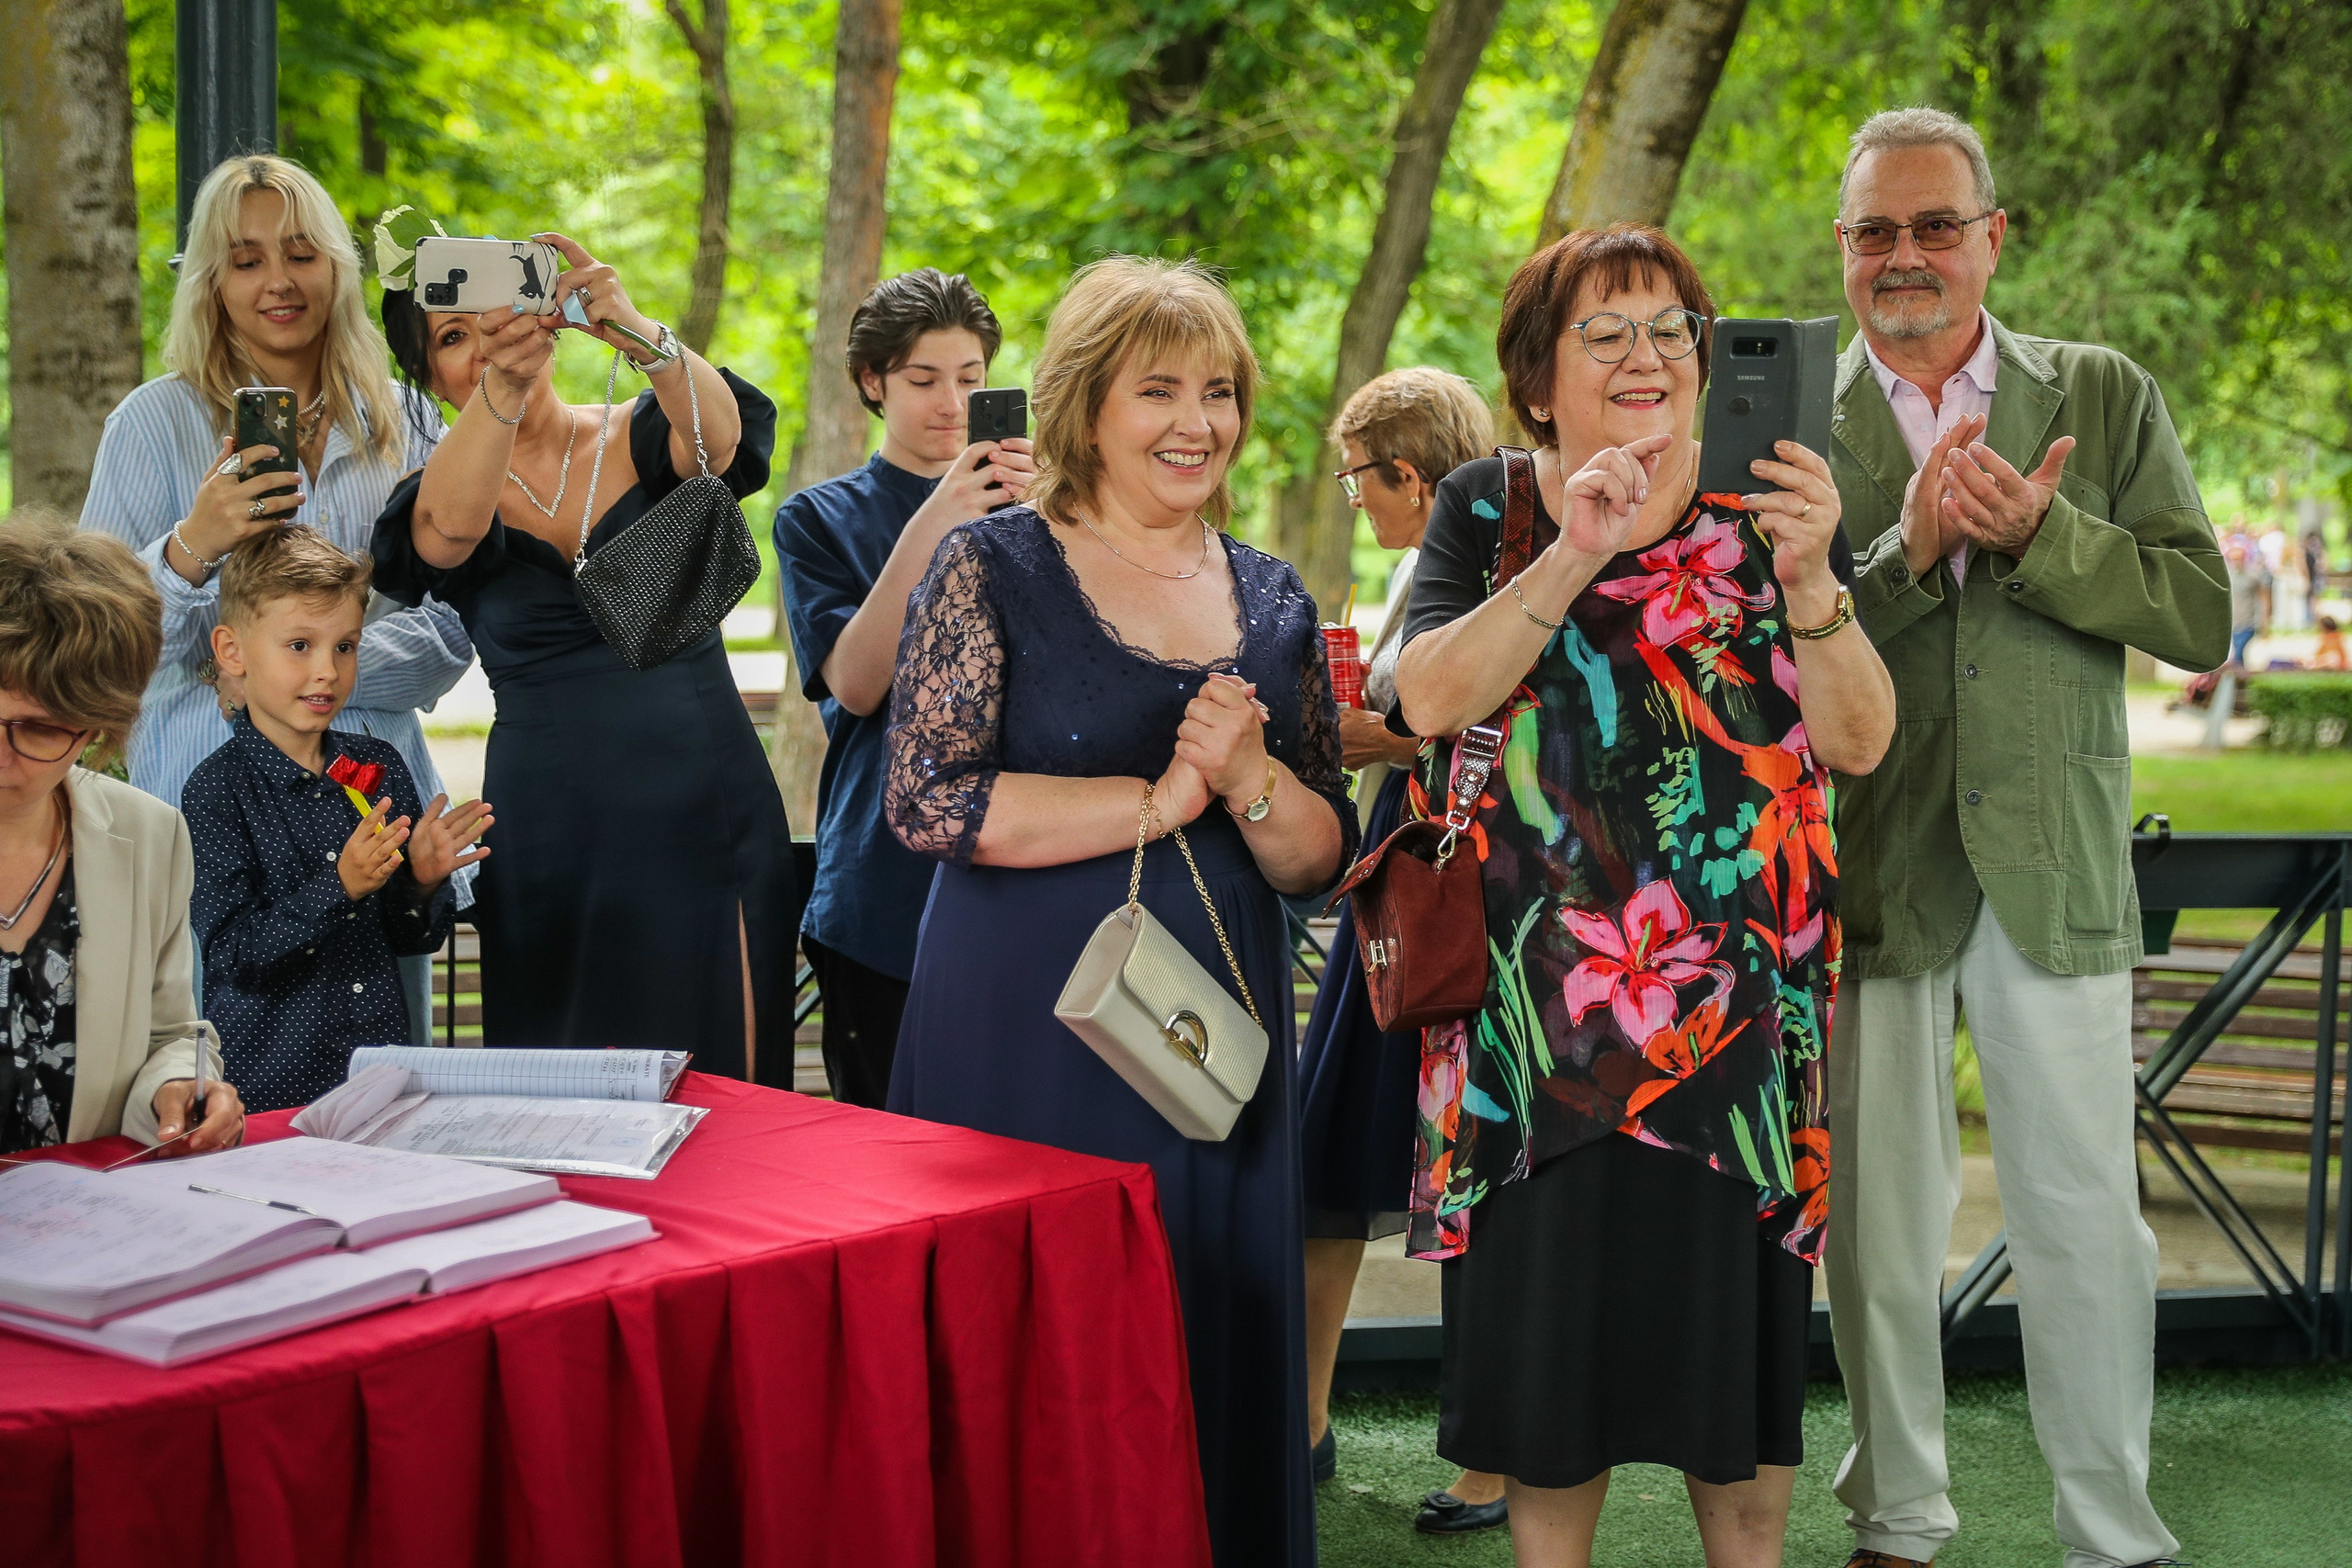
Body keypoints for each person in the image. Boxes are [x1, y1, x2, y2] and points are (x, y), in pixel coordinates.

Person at [1390, 224, 1894, 1568]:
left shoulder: (1770, 511)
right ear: (1538, 377)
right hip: (1541, 1032)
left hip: (1734, 1025)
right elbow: (1425, 698)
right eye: (1603, 331)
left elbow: (1856, 741)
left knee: (1738, 1419)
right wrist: (1574, 548)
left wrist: (1809, 579)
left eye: (1673, 327)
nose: (1646, 355)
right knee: (1555, 1413)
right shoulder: (1489, 507)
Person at [884, 255, 1353, 1568]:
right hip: (1030, 1028)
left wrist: (1252, 780)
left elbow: (1318, 857)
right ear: (1089, 403)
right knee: (1042, 1338)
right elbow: (924, 801)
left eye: (1220, 390)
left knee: (1207, 1321)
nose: (1196, 420)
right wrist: (1160, 796)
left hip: (1214, 1042)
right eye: (1161, 389)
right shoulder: (991, 564)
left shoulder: (1271, 598)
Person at [1823, 107, 2227, 1568]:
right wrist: (1910, 554)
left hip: (2052, 867)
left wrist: (2046, 540)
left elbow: (2200, 617)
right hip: (1873, 863)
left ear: (1995, 235)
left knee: (2082, 1217)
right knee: (1875, 1229)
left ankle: (2113, 1531)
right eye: (1878, 230)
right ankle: (1896, 1518)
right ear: (1845, 251)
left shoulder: (2102, 393)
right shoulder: (1792, 404)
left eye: (1938, 224)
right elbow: (1755, 665)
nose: (1908, 255)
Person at [370, 220, 798, 1080]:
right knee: (561, 1094)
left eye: (504, 318)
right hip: (553, 840)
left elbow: (723, 445)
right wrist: (503, 385)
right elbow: (447, 537)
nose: (489, 341)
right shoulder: (437, 493)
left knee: (732, 1093)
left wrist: (637, 329)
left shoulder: (642, 430)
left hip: (707, 816)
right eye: (456, 338)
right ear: (425, 379)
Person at [79, 155, 471, 1045]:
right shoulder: (149, 426)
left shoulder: (410, 426)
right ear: (212, 283)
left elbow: (452, 632)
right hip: (197, 829)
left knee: (380, 1099)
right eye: (246, 259)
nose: (278, 281)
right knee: (215, 1100)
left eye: (300, 252)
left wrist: (307, 664)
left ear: (335, 265)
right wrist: (190, 550)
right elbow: (99, 652)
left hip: (374, 821)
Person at [1292, 366, 1509, 1527]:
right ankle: (1306, 1416)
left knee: (1476, 1165)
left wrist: (1348, 728)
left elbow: (1439, 718)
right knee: (1332, 1142)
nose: (1353, 500)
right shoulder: (1425, 572)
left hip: (1466, 896)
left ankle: (1489, 1458)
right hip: (1398, 885)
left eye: (1358, 479)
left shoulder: (1496, 564)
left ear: (1411, 478)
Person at [774, 269, 1035, 1106]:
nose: (951, 403)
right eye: (923, 380)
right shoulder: (817, 518)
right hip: (879, 890)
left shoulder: (1039, 510)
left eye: (969, 378)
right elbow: (852, 684)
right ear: (872, 383)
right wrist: (939, 518)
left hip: (1023, 878)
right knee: (887, 1154)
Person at [182, 528, 489, 1111]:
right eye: (300, 645)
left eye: (345, 646)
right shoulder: (217, 791)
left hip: (381, 1086)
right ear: (232, 651)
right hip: (272, 1095)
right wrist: (340, 886)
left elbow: (408, 937)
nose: (327, 670)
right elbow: (234, 956)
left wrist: (421, 880)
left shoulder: (371, 766)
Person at [0, 515, 244, 1156]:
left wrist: (178, 1090)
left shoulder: (151, 835)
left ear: (98, 728)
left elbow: (169, 1034)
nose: (1, 753)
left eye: (40, 728)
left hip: (83, 1222)